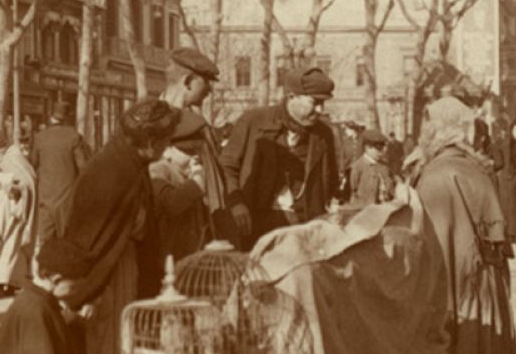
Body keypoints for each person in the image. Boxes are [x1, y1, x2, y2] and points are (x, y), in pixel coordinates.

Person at [411, 96, 516, 354]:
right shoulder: (467, 168)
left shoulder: (435, 171)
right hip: (477, 278)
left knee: (457, 341)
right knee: (477, 343)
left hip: (450, 277)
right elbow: (493, 230)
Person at [63, 100, 174, 354]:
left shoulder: (123, 162)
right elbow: (96, 233)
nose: (166, 150)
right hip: (110, 274)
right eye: (165, 143)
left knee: (116, 352)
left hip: (117, 266)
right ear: (150, 142)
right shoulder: (116, 170)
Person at [221, 66, 340, 237]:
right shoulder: (253, 121)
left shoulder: (323, 134)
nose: (321, 110)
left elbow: (331, 180)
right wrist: (236, 203)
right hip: (255, 222)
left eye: (324, 103)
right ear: (292, 97)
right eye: (315, 102)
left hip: (304, 226)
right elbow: (227, 166)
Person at [160, 47, 246, 246]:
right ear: (188, 82)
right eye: (205, 82)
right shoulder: (157, 125)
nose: (209, 89)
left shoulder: (197, 123)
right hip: (172, 231)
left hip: (202, 228)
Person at [0, 121, 36, 297]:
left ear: (1, 138)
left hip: (10, 205)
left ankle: (8, 281)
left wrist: (13, 184)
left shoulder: (13, 154)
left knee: (11, 243)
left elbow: (28, 179)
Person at [30, 112, 91, 246]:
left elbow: (33, 164)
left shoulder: (40, 137)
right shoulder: (73, 136)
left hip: (45, 197)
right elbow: (83, 167)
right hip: (67, 197)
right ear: (66, 119)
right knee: (66, 239)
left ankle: (44, 266)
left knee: (45, 240)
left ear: (50, 120)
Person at [152, 144, 208, 262]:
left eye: (197, 150)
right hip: (167, 256)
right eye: (187, 151)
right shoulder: (159, 168)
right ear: (168, 151)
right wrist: (197, 182)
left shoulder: (188, 172)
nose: (195, 156)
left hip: (188, 252)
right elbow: (169, 203)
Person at [348, 129, 396, 208]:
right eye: (378, 148)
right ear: (367, 148)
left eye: (383, 148)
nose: (381, 152)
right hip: (365, 210)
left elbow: (391, 187)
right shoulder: (358, 166)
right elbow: (354, 189)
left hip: (384, 209)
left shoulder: (384, 166)